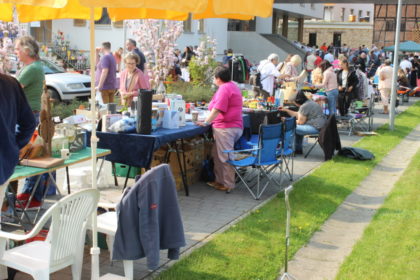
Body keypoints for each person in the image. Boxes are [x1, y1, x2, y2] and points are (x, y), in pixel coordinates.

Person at [13, 36, 50, 208]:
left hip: (29, 116)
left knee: (29, 157)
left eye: (18, 49)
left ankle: (30, 195)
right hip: (28, 114)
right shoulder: (32, 67)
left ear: (27, 50)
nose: (16, 52)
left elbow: (13, 88)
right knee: (30, 156)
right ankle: (30, 194)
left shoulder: (32, 68)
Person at [197, 66, 243, 192]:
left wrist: (206, 122)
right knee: (217, 155)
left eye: (214, 77)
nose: (213, 79)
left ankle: (228, 184)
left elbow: (218, 109)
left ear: (218, 79)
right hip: (231, 126)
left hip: (226, 127)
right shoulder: (231, 86)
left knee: (225, 157)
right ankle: (219, 181)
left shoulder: (224, 88)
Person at [0, 73, 36, 194]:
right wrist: (12, 146)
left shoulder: (9, 82)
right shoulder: (10, 82)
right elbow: (29, 122)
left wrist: (13, 146)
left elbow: (29, 123)